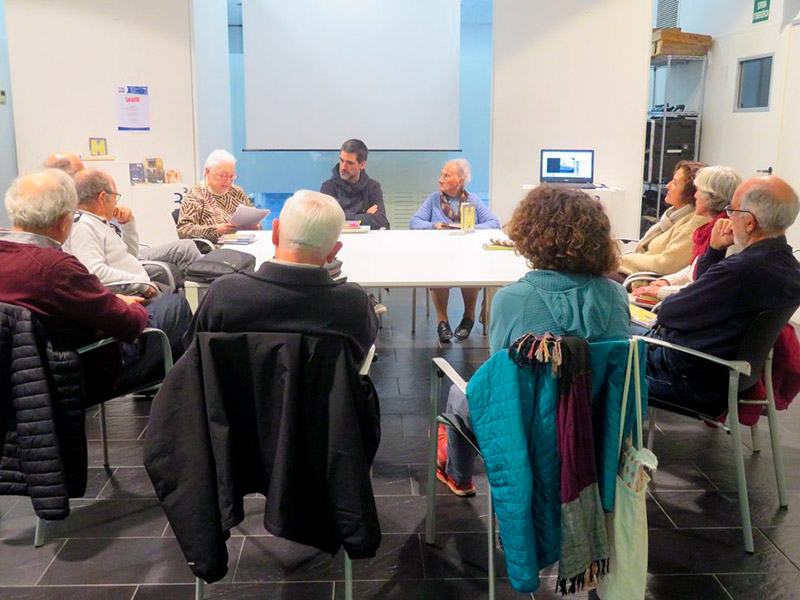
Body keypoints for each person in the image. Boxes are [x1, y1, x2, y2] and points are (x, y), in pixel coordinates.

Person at [437, 186, 631, 496]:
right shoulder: (617, 295)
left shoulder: (511, 299)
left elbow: (499, 381)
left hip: (528, 435)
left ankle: (458, 476)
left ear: (531, 235)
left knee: (457, 394)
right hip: (597, 430)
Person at [0, 169, 190, 402]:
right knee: (176, 305)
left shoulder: (13, 258)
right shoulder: (57, 268)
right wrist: (130, 304)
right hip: (79, 375)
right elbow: (127, 323)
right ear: (65, 221)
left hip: (20, 382)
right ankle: (180, 397)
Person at [642, 175, 800, 417]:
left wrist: (714, 255)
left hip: (687, 379)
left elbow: (669, 313)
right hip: (727, 379)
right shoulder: (790, 269)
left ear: (749, 222)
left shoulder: (741, 270)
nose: (728, 217)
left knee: (600, 356)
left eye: (732, 210)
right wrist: (715, 251)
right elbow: (703, 297)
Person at [190, 190, 377, 363]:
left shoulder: (224, 294)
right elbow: (358, 355)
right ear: (333, 251)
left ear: (275, 233)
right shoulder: (353, 304)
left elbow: (194, 350)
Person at [65, 169, 201, 294]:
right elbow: (95, 273)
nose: (116, 203)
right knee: (182, 303)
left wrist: (127, 225)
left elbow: (129, 254)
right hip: (131, 295)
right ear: (102, 197)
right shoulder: (83, 227)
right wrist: (142, 284)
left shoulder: (97, 221)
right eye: (115, 196)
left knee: (180, 293)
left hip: (137, 285)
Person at [409, 159, 500, 343]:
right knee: (438, 272)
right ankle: (442, 321)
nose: (440, 179)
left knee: (471, 271)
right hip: (440, 254)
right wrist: (434, 226)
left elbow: (494, 223)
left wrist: (469, 228)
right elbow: (415, 222)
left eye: (446, 175)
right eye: (441, 174)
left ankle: (469, 317)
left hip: (467, 254)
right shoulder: (434, 199)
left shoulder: (473, 200)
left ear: (460, 181)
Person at [632, 165, 742, 300]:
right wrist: (667, 281)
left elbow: (706, 287)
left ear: (711, 197)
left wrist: (661, 291)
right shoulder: (709, 228)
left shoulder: (726, 234)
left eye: (699, 190)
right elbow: (693, 270)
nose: (695, 195)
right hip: (677, 293)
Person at [617, 160, 708, 279]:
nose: (667, 186)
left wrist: (626, 259)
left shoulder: (693, 225)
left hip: (643, 279)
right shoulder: (672, 216)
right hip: (635, 270)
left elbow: (667, 264)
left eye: (675, 183)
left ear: (690, 192)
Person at [176, 149, 256, 243]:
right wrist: (216, 230)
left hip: (242, 242)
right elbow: (183, 230)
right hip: (214, 248)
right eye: (223, 176)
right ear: (208, 172)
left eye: (232, 176)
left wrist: (255, 226)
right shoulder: (195, 195)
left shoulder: (237, 192)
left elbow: (252, 216)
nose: (228, 181)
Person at [320, 139, 389, 230]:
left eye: (350, 163)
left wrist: (343, 217)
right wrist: (365, 215)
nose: (343, 167)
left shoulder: (373, 187)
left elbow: (381, 221)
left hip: (366, 238)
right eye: (342, 160)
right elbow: (327, 220)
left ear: (362, 165)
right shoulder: (328, 187)